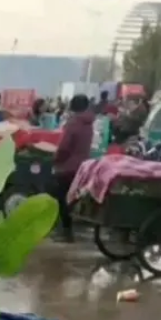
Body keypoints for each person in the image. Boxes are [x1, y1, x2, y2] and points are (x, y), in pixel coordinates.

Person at [50, 93, 95, 242]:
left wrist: (56, 159)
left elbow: (64, 147)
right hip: (81, 166)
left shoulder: (73, 123)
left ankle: (66, 232)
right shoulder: (89, 123)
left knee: (60, 198)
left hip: (67, 167)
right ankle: (66, 230)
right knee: (69, 198)